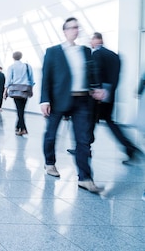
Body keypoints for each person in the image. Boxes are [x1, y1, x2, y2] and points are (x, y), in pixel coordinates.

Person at [40, 17, 104, 193]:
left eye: (77, 27)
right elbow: (47, 77)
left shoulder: (85, 51)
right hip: (58, 99)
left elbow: (92, 71)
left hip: (82, 100)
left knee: (83, 139)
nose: (76, 30)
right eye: (72, 27)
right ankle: (50, 162)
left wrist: (97, 87)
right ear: (65, 30)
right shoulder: (53, 52)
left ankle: (85, 177)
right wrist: (44, 100)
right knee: (51, 134)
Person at [87, 32, 142, 164]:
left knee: (91, 119)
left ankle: (85, 147)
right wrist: (110, 91)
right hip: (110, 93)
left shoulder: (97, 54)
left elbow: (97, 72)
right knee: (105, 120)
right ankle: (129, 147)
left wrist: (98, 90)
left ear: (97, 39)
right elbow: (116, 76)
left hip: (99, 93)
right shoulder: (115, 55)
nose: (90, 43)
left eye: (91, 40)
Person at [5, 51, 34, 136]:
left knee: (19, 110)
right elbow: (31, 80)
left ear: (13, 57)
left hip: (15, 91)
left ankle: (23, 129)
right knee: (21, 110)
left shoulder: (11, 67)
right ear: (21, 57)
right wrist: (31, 90)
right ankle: (18, 126)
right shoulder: (28, 66)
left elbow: (8, 80)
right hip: (25, 90)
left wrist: (5, 91)